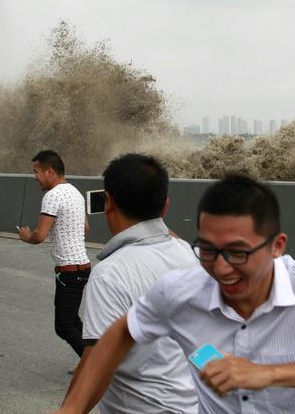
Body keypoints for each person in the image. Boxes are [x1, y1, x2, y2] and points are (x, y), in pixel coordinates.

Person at [56, 174, 295, 414]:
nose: (221, 269)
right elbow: (121, 331)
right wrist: (71, 409)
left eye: (237, 252)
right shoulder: (180, 292)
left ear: (277, 246)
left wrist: (268, 374)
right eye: (207, 250)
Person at [68, 154, 198, 414]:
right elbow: (201, 343)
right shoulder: (187, 254)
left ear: (108, 202)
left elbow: (97, 361)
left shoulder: (110, 274)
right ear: (166, 206)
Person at [17, 150, 89, 358]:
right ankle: (91, 360)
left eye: (36, 171)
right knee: (72, 320)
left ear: (49, 171)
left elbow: (39, 236)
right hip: (80, 268)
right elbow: (85, 228)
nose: (34, 177)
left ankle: (95, 366)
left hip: (69, 271)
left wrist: (25, 236)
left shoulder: (52, 195)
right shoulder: (75, 192)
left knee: (64, 326)